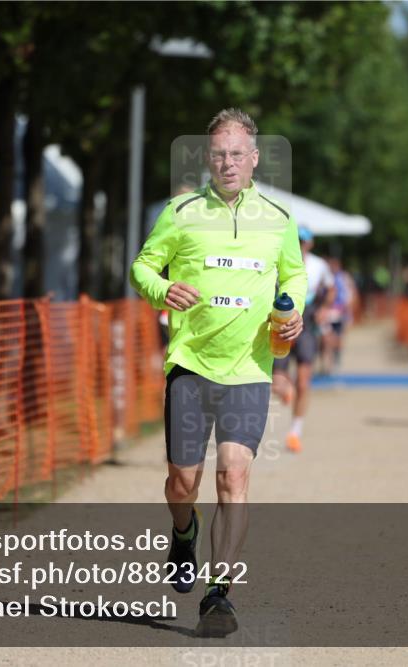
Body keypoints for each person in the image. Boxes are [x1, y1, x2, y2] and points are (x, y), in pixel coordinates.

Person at [130, 108, 308, 637]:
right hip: (190, 364)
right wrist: (163, 290)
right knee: (183, 483)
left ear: (254, 159)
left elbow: (294, 274)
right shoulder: (180, 212)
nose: (228, 163)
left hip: (251, 368)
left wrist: (292, 310)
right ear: (209, 159)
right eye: (219, 154)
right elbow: (142, 265)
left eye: (238, 154)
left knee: (234, 476)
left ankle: (219, 594)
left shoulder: (278, 218)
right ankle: (184, 533)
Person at [270, 226, 334, 453]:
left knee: (304, 382)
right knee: (278, 383)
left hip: (307, 322)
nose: (299, 244)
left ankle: (295, 432)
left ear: (310, 243)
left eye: (303, 241)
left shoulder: (319, 265)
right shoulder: (277, 260)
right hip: (281, 322)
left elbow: (330, 287)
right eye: (295, 240)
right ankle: (287, 392)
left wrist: (325, 308)